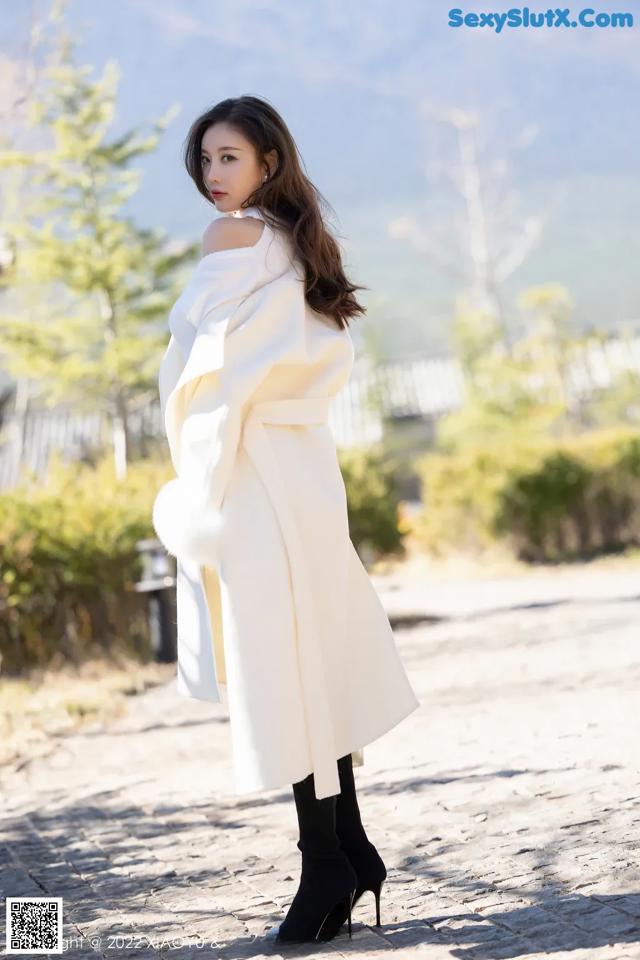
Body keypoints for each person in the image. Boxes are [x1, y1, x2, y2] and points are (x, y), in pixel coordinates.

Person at [152, 95, 420, 945]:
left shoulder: (234, 240)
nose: (212, 175)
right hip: (301, 474)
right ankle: (345, 848)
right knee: (311, 661)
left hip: (257, 473)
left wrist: (195, 487)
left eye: (227, 157)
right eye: (204, 160)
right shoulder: (297, 243)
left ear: (268, 160)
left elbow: (208, 374)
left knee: (284, 666)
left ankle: (329, 863)